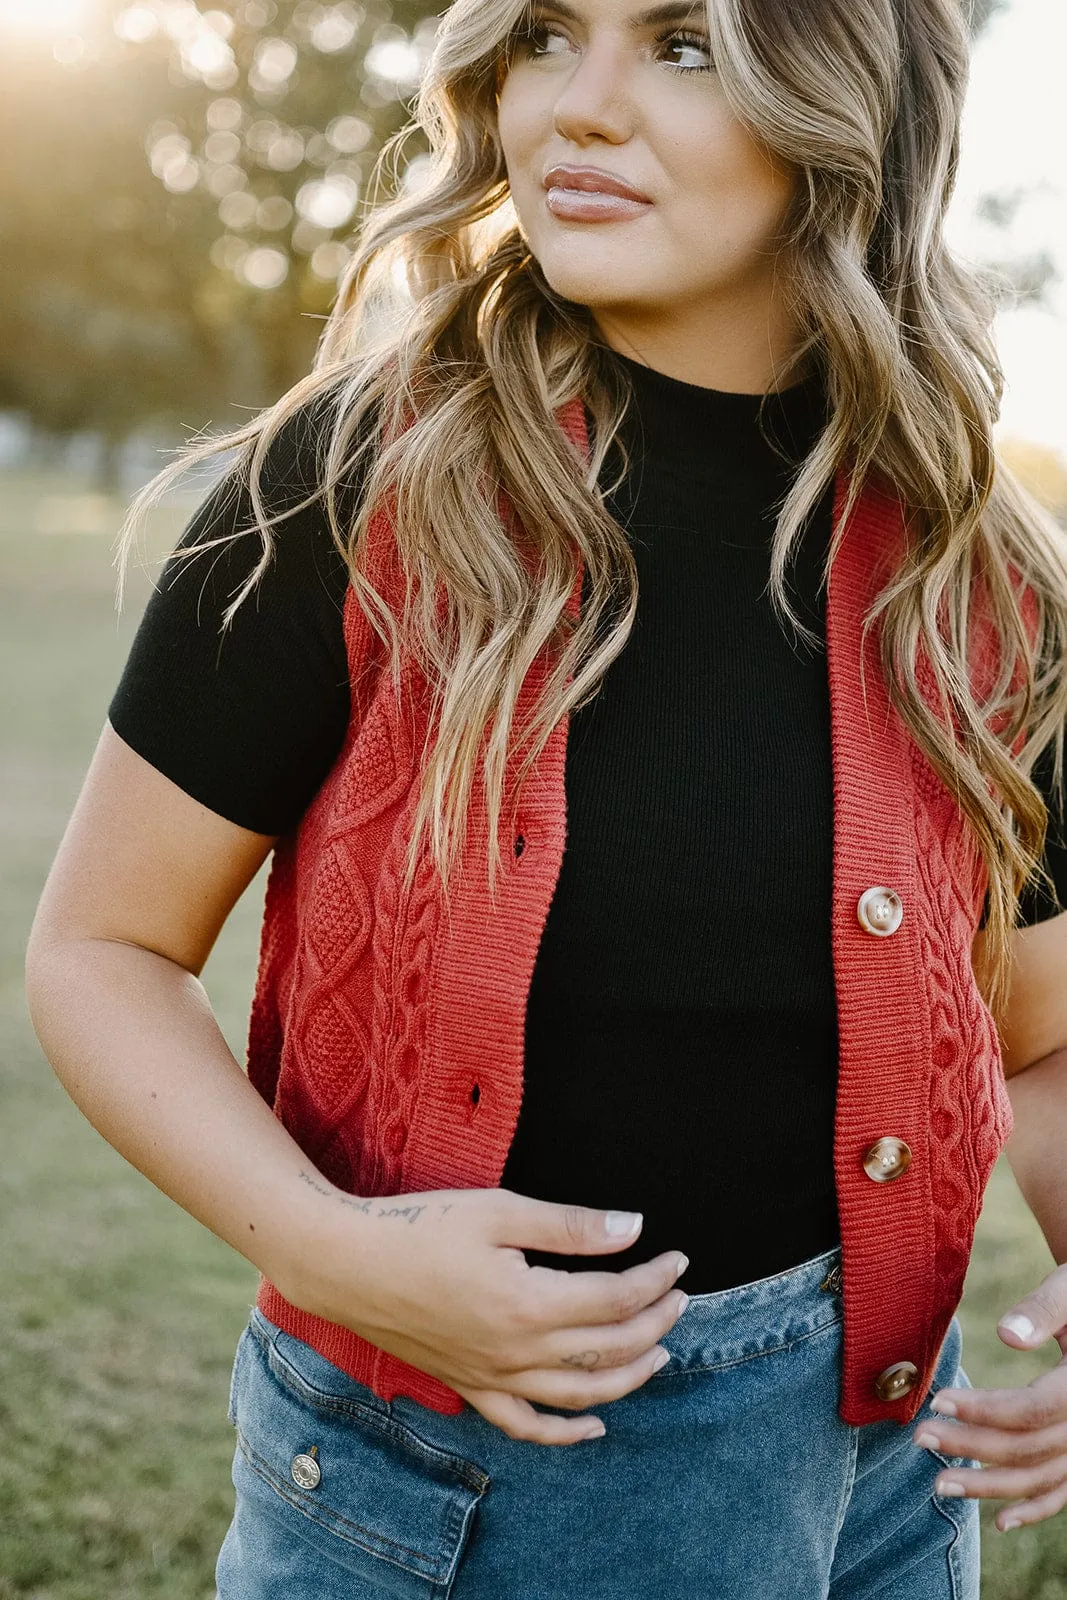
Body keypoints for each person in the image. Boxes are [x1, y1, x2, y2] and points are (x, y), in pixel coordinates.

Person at [24, 0, 1067, 1594]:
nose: (574, 108)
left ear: (849, 107)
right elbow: (100, 952)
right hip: (434, 1490)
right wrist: (334, 1254)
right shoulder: (359, 479)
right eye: (542, 38)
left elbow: (1045, 1039)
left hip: (884, 1497)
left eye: (681, 44)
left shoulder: (976, 579)